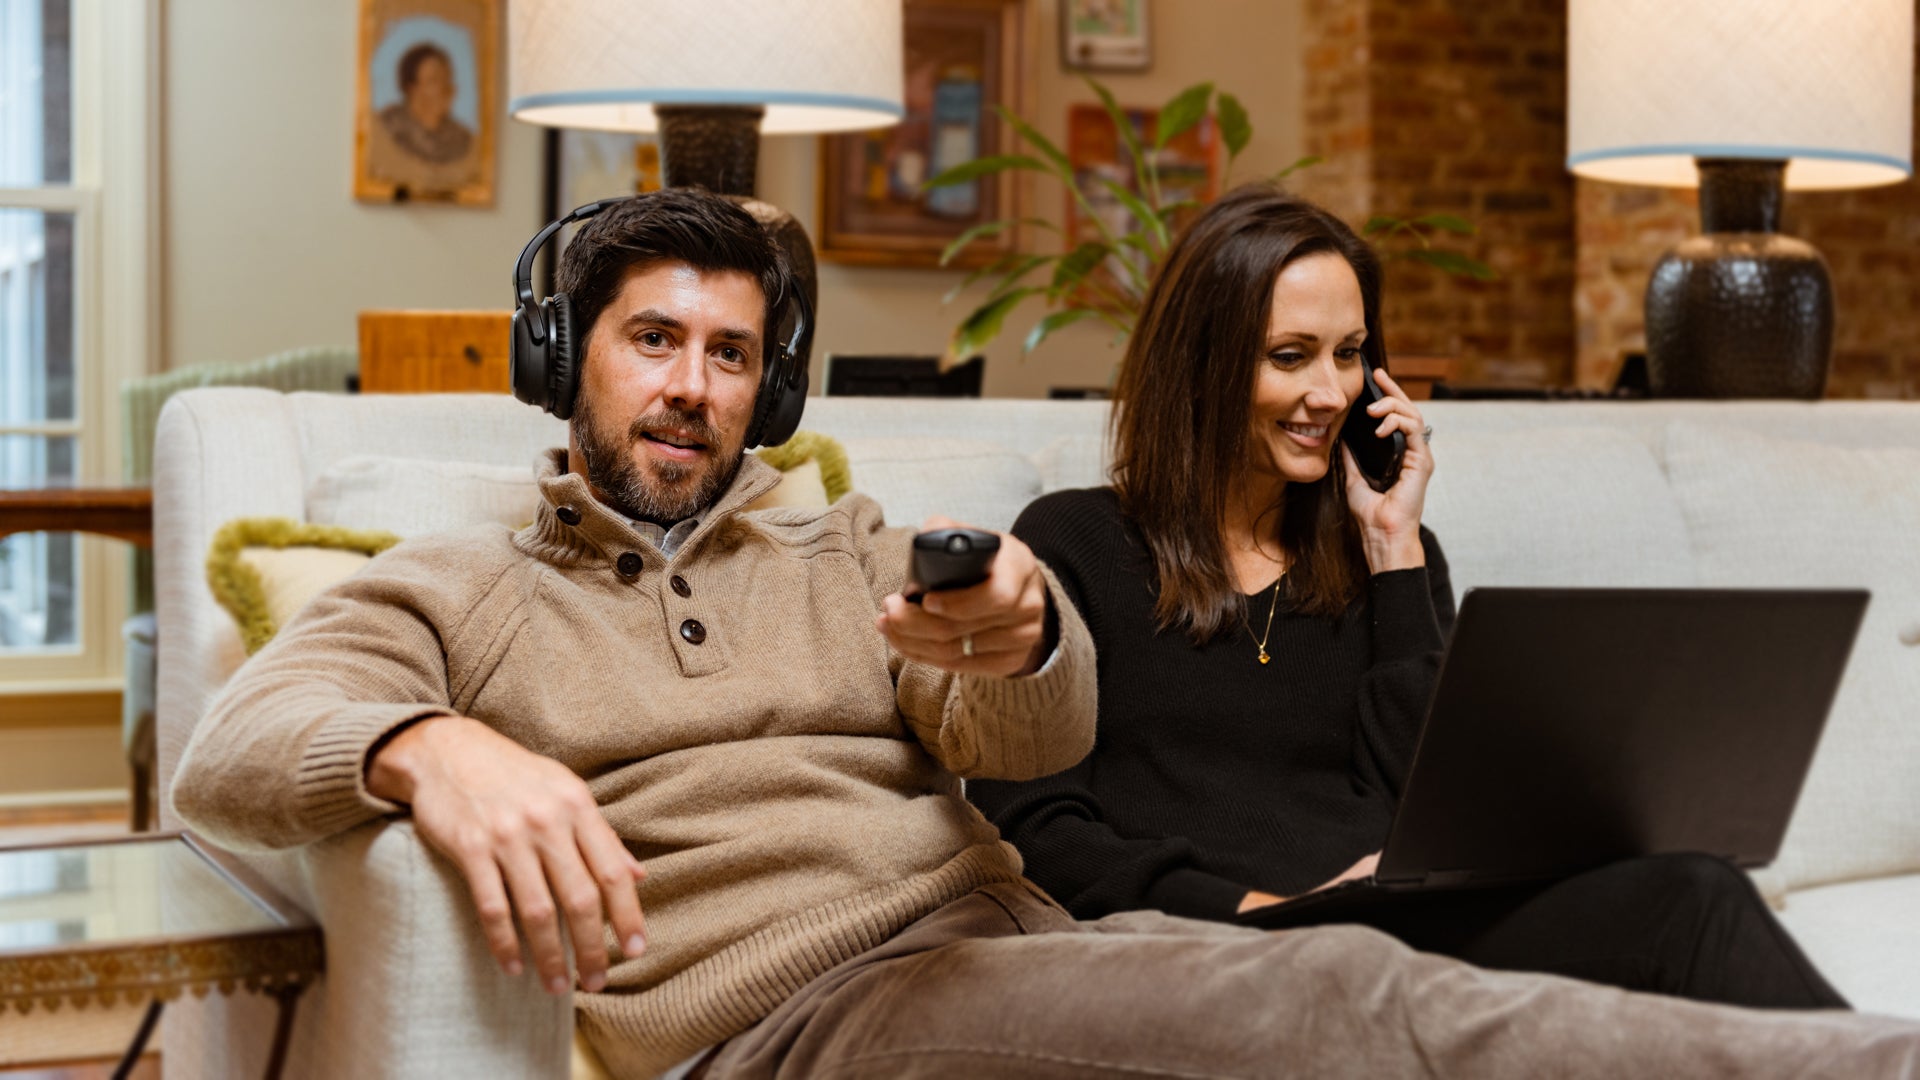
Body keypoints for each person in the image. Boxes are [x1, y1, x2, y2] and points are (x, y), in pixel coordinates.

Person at [172, 188, 1920, 1078]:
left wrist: (1019, 640)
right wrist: (436, 747)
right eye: (652, 342)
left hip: (990, 950)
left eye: (727, 352)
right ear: (567, 359)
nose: (691, 387)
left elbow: (1027, 761)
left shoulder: (843, 544)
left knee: (1371, 983)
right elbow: (231, 748)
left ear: (768, 381)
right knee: (1350, 993)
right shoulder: (469, 585)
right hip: (801, 1022)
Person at [969, 183, 1849, 1011]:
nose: (1330, 392)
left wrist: (1390, 548)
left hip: (1394, 925)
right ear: (1200, 367)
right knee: (1691, 906)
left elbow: (1436, 805)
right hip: (1222, 939)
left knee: (1691, 890)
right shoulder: (1075, 542)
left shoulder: (1392, 554)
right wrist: (1257, 904)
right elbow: (1033, 822)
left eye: (1350, 355)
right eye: (1290, 357)